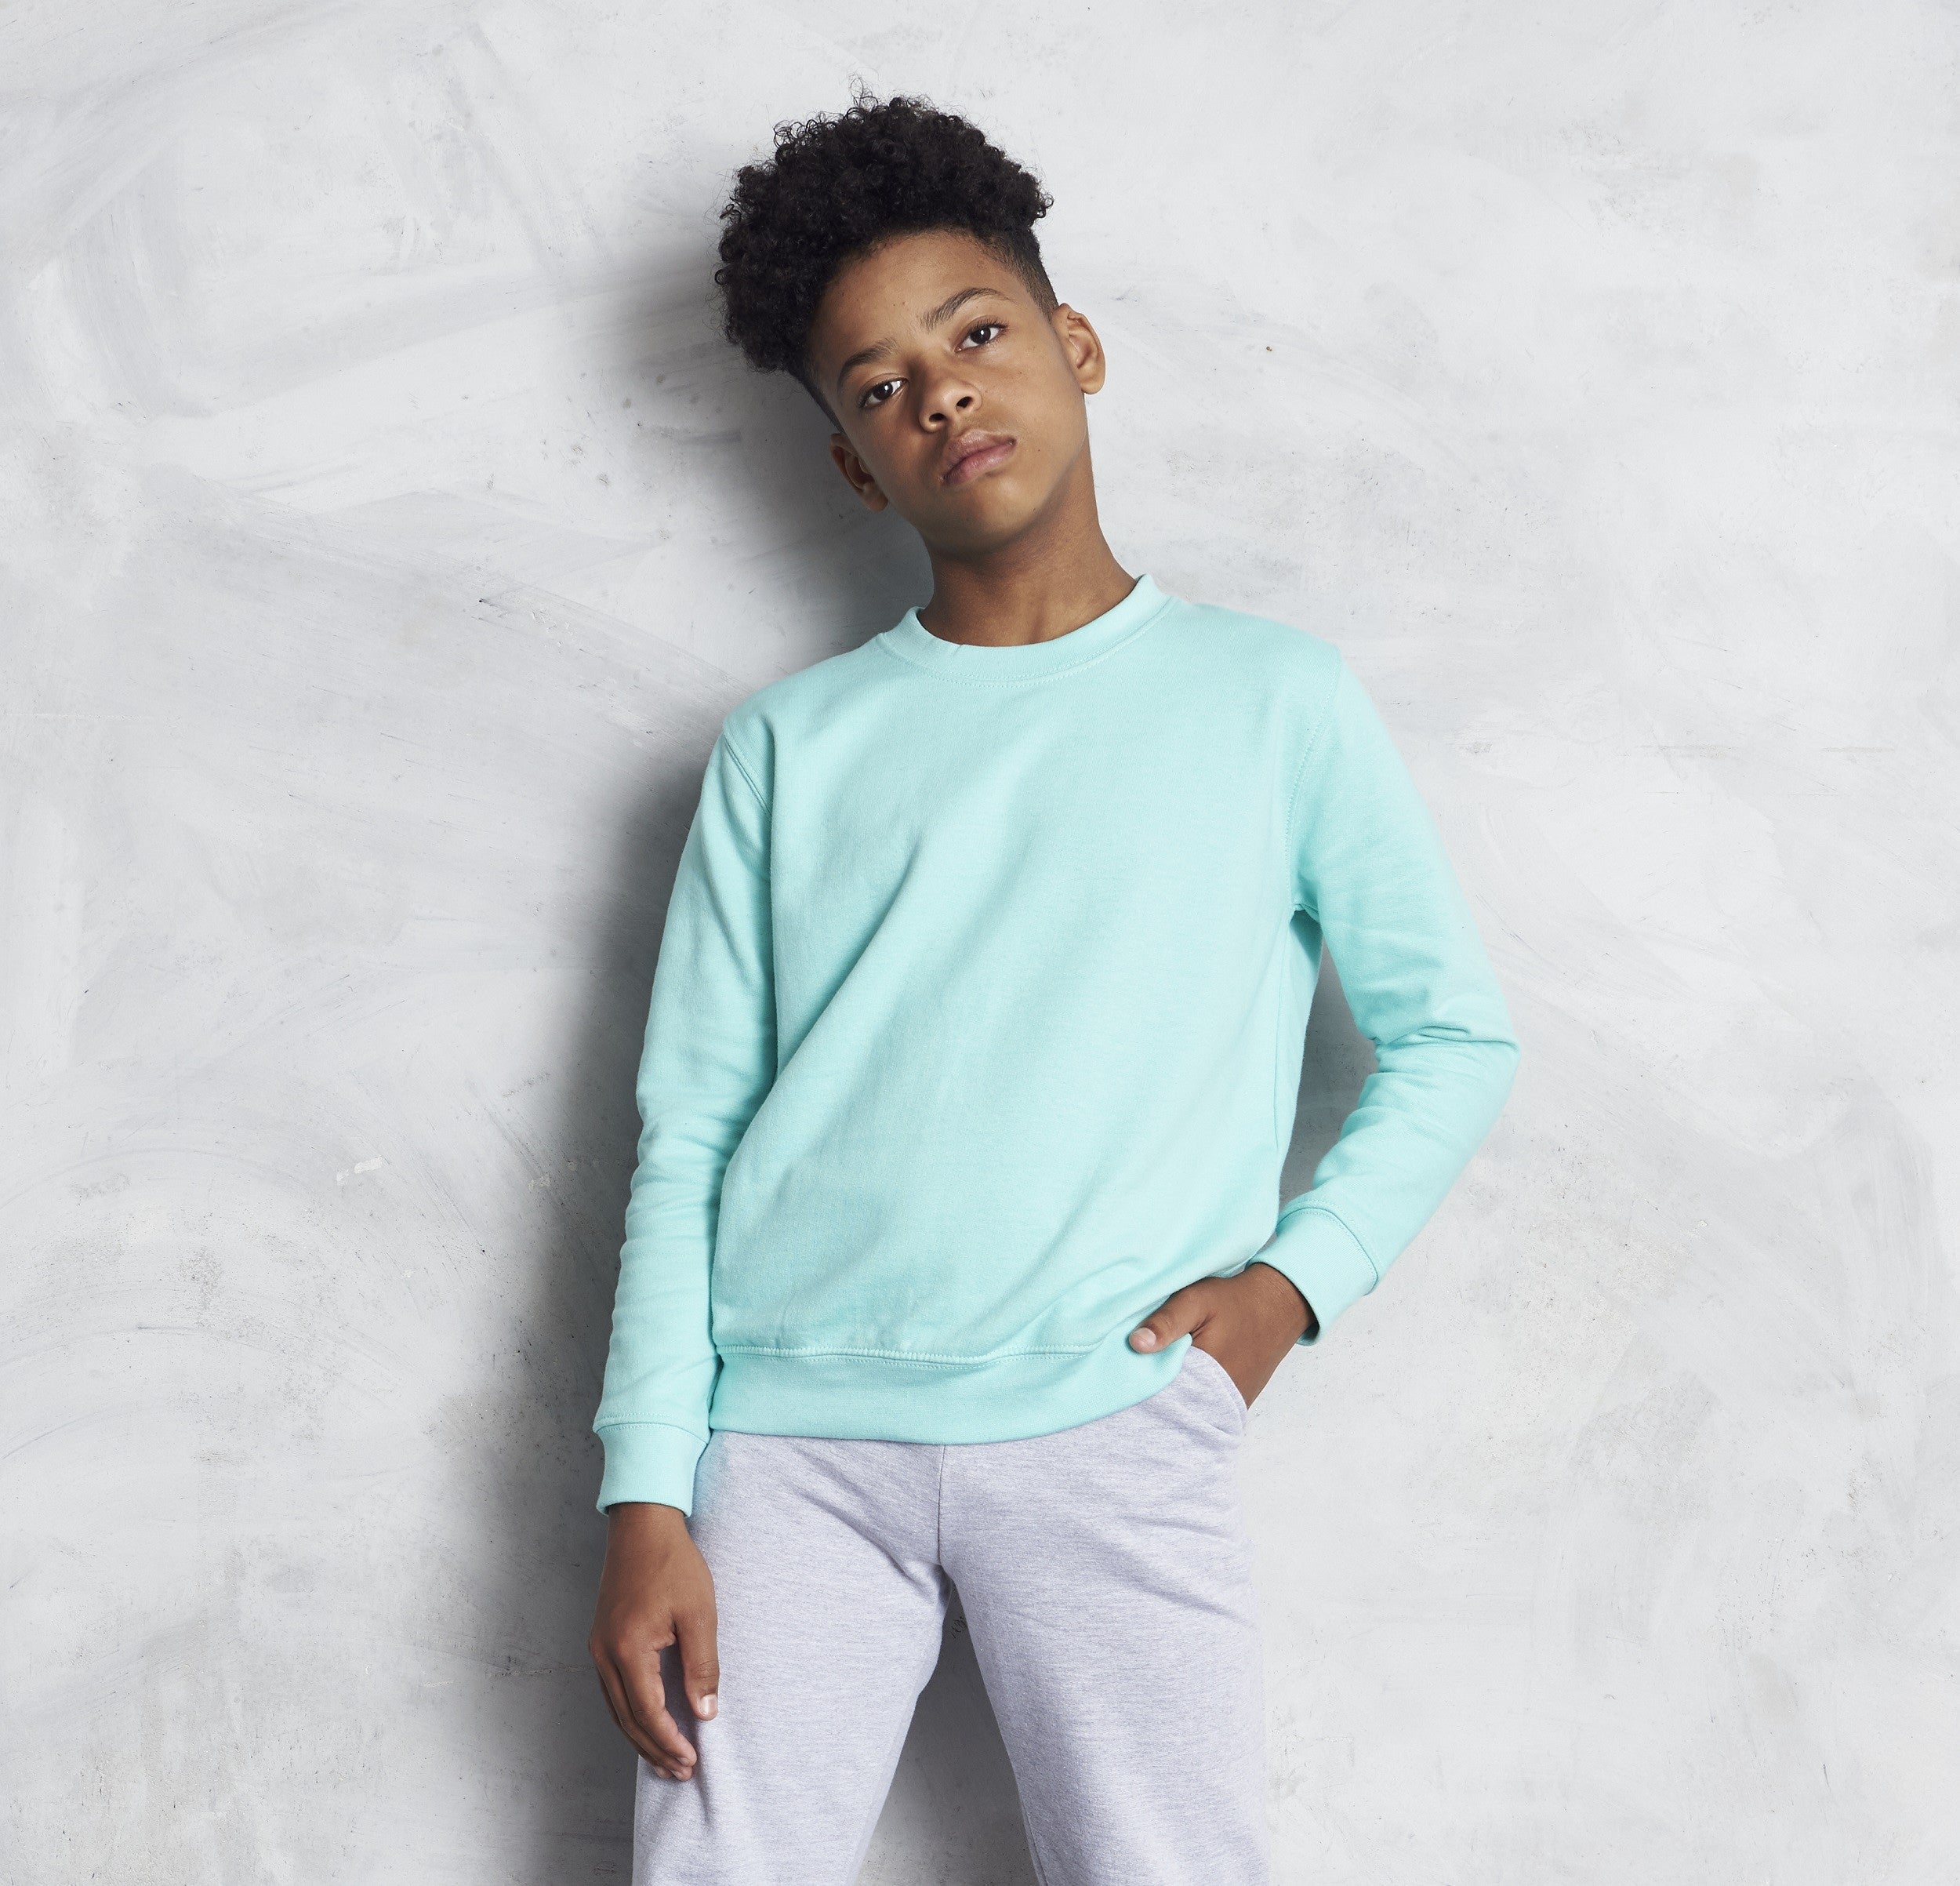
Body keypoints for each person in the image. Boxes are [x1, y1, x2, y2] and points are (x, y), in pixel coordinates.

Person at [586, 85, 1520, 1886]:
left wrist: (1285, 1294)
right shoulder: (786, 750)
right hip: (783, 1443)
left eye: (974, 335)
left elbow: (1453, 1036)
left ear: (1073, 347)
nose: (938, 394)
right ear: (852, 464)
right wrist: (645, 1488)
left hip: (1109, 1416)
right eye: (877, 385)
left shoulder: (1270, 701)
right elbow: (688, 1132)